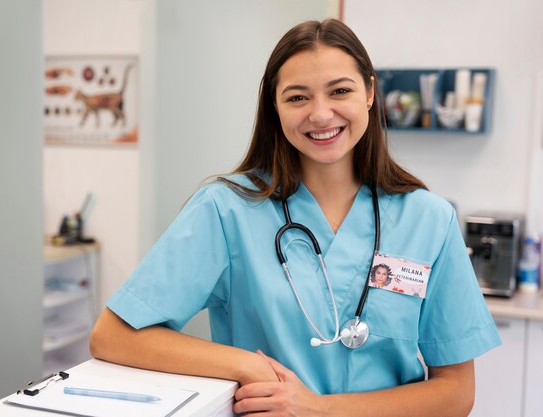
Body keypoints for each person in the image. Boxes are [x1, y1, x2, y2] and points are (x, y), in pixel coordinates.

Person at [90, 19, 500, 416]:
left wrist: (321, 411)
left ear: (370, 92)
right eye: (297, 97)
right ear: (275, 106)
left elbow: (456, 392)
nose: (321, 114)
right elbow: (114, 335)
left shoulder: (429, 219)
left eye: (339, 90)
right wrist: (246, 366)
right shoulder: (226, 209)